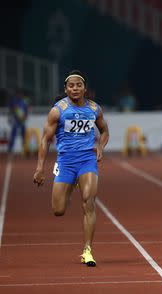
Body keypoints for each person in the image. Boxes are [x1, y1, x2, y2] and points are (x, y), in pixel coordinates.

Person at [33, 70, 109, 266]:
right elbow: (45, 140)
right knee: (58, 210)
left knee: (88, 202)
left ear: (85, 88)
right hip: (66, 162)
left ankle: (87, 251)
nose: (75, 89)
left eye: (79, 85)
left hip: (87, 160)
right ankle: (72, 183)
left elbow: (104, 131)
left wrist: (100, 145)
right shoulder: (58, 110)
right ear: (66, 89)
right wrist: (40, 168)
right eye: (71, 86)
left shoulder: (94, 108)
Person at [7, 89, 29, 153]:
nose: (20, 95)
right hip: (16, 120)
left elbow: (26, 110)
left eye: (21, 94)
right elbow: (10, 109)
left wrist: (25, 117)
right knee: (13, 134)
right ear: (17, 94)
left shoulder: (24, 101)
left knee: (24, 134)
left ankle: (24, 148)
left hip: (22, 120)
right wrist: (10, 117)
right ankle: (10, 149)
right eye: (19, 94)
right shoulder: (13, 101)